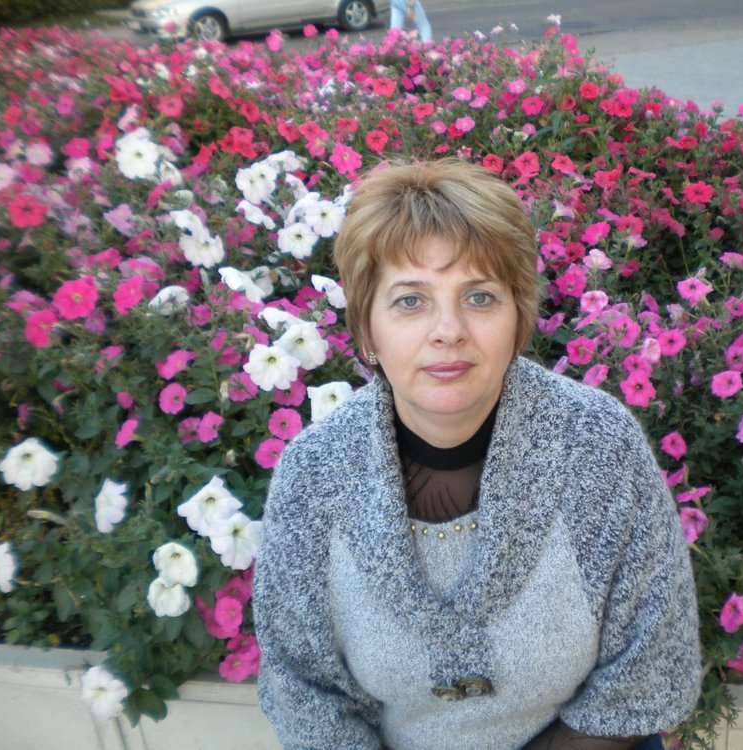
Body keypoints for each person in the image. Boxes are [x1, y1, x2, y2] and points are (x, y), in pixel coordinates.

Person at [254, 159, 701, 750]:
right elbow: (308, 698)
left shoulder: (598, 446)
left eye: (480, 296)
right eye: (410, 301)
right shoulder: (313, 477)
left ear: (518, 318)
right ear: (366, 330)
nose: (448, 330)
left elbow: (645, 673)